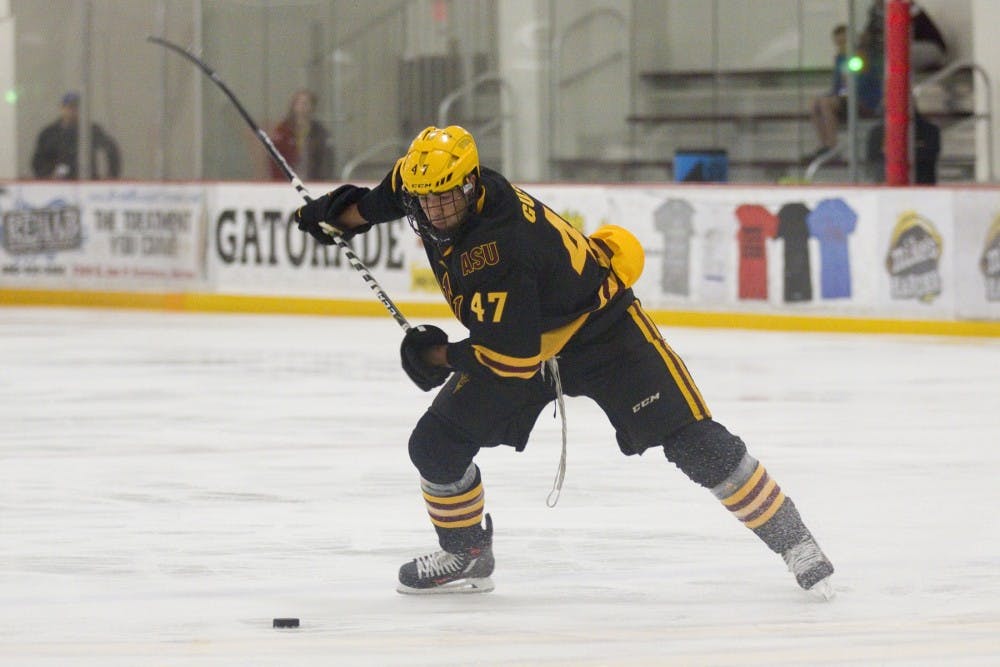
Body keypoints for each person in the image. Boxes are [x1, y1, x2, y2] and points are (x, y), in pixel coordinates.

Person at [294, 125, 835, 598]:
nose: (435, 212)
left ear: (472, 184)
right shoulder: (425, 185)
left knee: (694, 442)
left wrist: (435, 355)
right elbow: (380, 200)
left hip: (601, 331)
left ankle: (796, 542)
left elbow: (511, 356)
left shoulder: (498, 246)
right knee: (435, 447)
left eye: (446, 200)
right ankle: (468, 554)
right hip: (522, 332)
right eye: (425, 201)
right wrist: (339, 215)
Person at [804, 25, 881, 163]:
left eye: (844, 42)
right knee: (814, 103)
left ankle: (832, 146)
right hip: (844, 99)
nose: (841, 46)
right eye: (838, 43)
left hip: (864, 100)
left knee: (826, 103)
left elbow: (864, 85)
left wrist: (838, 94)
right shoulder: (840, 59)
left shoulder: (863, 57)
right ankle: (823, 144)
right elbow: (836, 87)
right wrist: (828, 96)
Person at [31, 92, 121, 180]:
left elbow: (111, 150)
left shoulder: (91, 130)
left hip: (87, 183)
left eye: (76, 107)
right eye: (69, 107)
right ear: (61, 108)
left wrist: (111, 175)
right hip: (58, 186)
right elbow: (38, 160)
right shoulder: (49, 133)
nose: (72, 110)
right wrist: (47, 177)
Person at [268, 90, 333, 181]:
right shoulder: (283, 131)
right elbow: (274, 160)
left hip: (313, 182)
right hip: (287, 182)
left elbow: (326, 161)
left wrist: (322, 181)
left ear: (312, 106)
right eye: (298, 103)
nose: (302, 107)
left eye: (306, 103)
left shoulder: (319, 132)